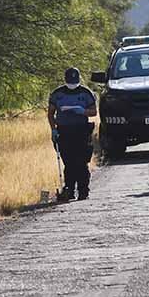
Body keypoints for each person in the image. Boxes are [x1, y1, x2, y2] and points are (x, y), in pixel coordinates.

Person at [48, 67, 97, 202]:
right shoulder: (57, 94)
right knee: (68, 163)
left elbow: (94, 112)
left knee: (81, 162)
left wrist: (82, 111)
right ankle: (69, 190)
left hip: (81, 131)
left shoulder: (85, 93)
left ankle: (83, 191)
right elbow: (50, 113)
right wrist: (53, 129)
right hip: (64, 131)